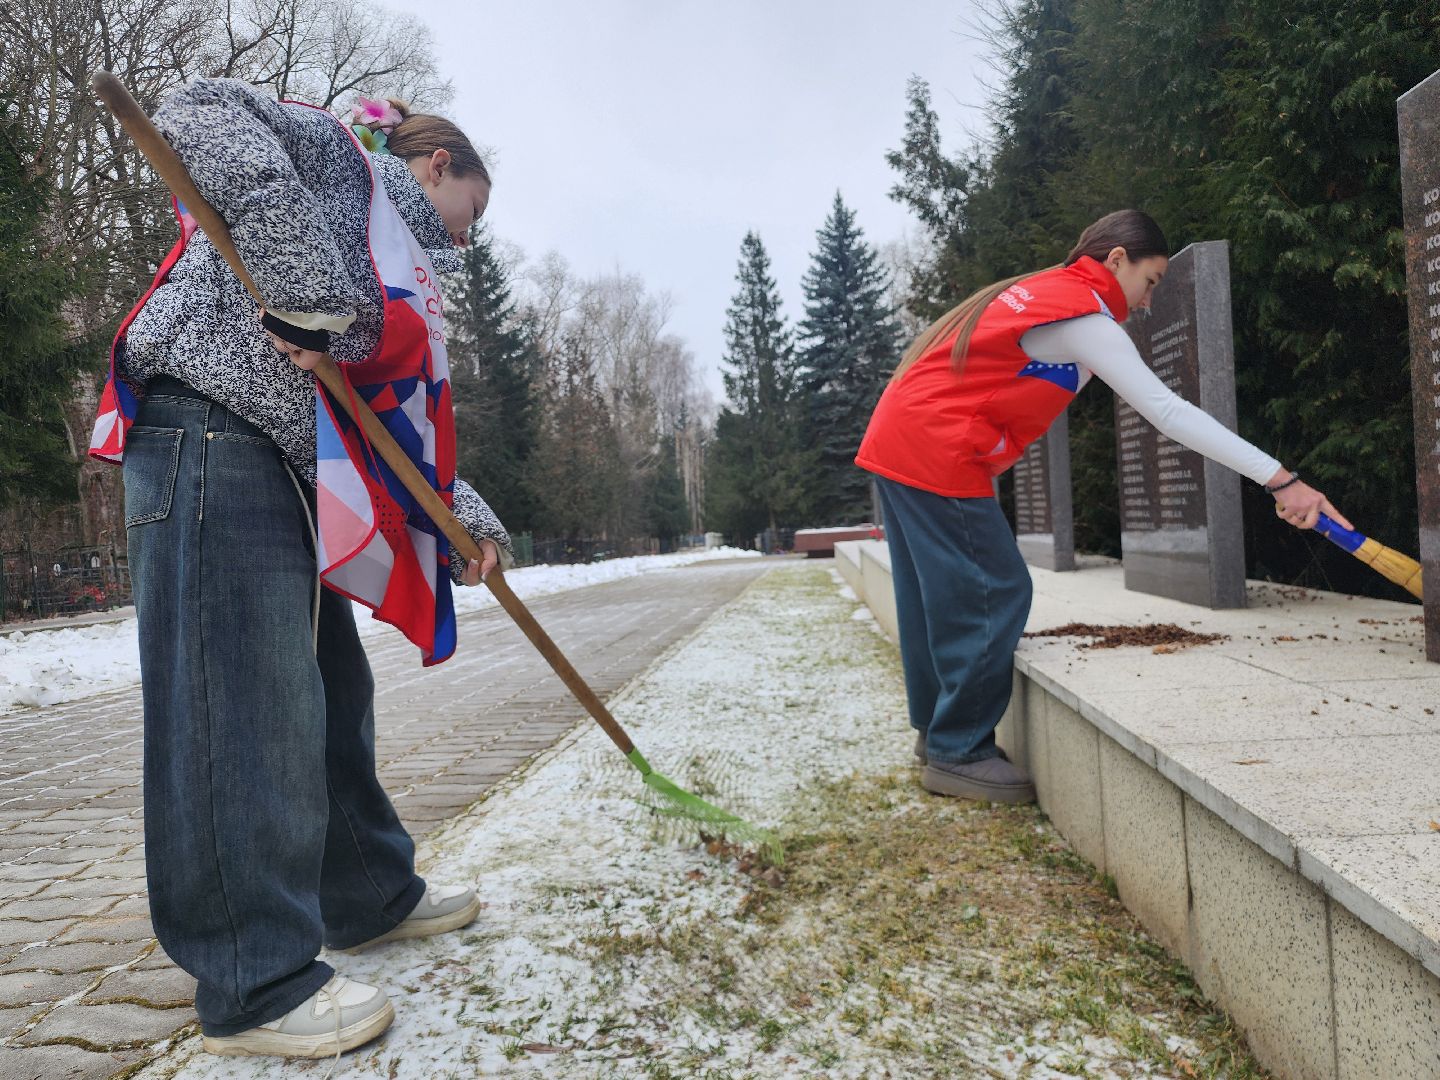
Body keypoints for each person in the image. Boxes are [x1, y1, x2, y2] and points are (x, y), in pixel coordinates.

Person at [94, 78, 510, 1059]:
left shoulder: (398, 269)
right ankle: (253, 975)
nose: (467, 238)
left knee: (322, 697)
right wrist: (307, 288)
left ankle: (364, 894)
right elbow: (194, 110)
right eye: (473, 212)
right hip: (209, 431)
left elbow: (392, 415)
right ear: (436, 165)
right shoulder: (336, 164)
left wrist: (463, 517)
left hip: (292, 464)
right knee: (238, 709)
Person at [855, 210, 1351, 805]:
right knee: (994, 590)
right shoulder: (1084, 316)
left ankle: (938, 735)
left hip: (901, 440)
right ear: (1117, 259)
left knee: (933, 595)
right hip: (938, 449)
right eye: (1152, 280)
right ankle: (960, 750)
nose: (1147, 301)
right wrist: (1281, 480)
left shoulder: (1043, 292)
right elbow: (1168, 413)